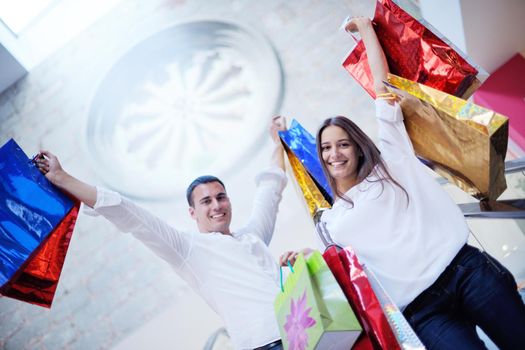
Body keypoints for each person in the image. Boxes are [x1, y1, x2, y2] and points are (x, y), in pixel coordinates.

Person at [281, 17, 525, 350]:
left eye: (342, 143)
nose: (334, 153)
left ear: (357, 145)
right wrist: (304, 256)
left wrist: (366, 31)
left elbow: (383, 91)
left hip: (466, 270)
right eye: (326, 147)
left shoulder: (391, 163)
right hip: (424, 312)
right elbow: (340, 266)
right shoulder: (332, 220)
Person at [35, 116, 288, 350]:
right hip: (265, 343)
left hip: (303, 328)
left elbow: (271, 189)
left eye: (221, 198)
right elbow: (130, 214)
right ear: (193, 213)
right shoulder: (189, 249)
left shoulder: (253, 236)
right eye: (206, 201)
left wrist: (278, 143)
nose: (216, 206)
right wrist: (61, 177)